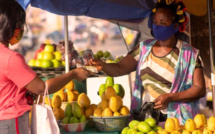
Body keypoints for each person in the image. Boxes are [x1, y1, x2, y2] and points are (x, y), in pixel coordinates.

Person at [90, 0, 206, 124]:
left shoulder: (190, 54)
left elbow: (199, 89)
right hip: (147, 120)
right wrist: (103, 65)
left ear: (175, 26)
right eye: (155, 22)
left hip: (179, 123)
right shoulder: (143, 49)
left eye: (162, 23)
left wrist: (170, 97)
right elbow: (120, 67)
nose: (157, 25)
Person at [0, 0, 92, 133]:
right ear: (10, 25)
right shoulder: (10, 58)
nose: (21, 29)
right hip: (10, 122)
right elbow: (42, 88)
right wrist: (73, 74)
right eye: (19, 24)